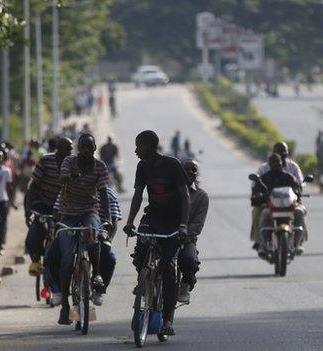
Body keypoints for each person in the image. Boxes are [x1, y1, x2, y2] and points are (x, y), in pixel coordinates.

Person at [123, 130, 190, 336]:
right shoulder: (142, 166)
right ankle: (143, 281)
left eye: (138, 146)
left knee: (169, 271)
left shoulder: (172, 165)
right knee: (141, 248)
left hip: (172, 222)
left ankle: (167, 319)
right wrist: (130, 221)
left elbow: (185, 196)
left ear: (150, 147)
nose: (135, 150)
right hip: (152, 218)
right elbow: (137, 195)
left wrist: (183, 225)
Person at [51, 133, 112, 325]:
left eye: (89, 147)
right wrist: (70, 177)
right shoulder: (69, 162)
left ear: (94, 148)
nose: (85, 150)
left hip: (89, 211)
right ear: (78, 148)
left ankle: (96, 275)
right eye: (82, 147)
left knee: (93, 239)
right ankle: (65, 307)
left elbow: (103, 193)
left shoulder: (100, 167)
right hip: (68, 213)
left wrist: (108, 218)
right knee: (67, 259)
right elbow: (61, 180)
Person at [48, 185, 121, 306]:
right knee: (52, 255)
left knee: (109, 258)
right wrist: (60, 226)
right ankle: (57, 290)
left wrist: (109, 240)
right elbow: (56, 211)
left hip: (95, 231)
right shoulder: (67, 189)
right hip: (71, 229)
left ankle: (98, 290)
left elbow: (114, 219)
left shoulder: (106, 193)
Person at [24, 137, 73, 276]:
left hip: (65, 207)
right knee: (33, 236)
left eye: (71, 149)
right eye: (67, 149)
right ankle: (35, 261)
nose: (70, 152)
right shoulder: (45, 161)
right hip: (44, 204)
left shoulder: (73, 163)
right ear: (58, 148)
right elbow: (33, 187)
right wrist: (27, 210)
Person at [251, 154, 304, 255]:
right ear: (269, 164)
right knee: (264, 214)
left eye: (278, 162)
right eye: (273, 162)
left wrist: (297, 194)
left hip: (288, 208)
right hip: (271, 208)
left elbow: (297, 188)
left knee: (299, 212)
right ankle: (262, 244)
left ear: (281, 164)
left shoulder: (289, 177)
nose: (276, 164)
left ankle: (297, 243)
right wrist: (258, 196)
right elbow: (256, 190)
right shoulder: (263, 179)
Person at [176, 159, 209, 304]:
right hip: (164, 235)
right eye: (186, 169)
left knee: (189, 260)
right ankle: (143, 282)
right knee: (144, 251)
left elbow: (198, 224)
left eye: (193, 170)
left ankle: (185, 286)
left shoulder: (202, 196)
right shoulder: (170, 190)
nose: (190, 172)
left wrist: (183, 233)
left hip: (186, 239)